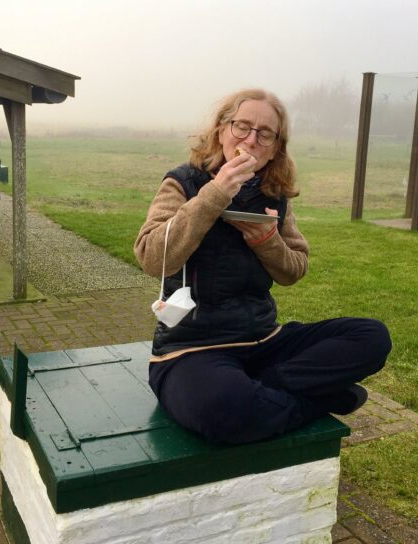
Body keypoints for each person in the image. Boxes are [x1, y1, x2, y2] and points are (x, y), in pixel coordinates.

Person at [134, 88, 391, 444]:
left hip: (264, 341)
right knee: (225, 406)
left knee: (372, 337)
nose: (251, 140)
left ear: (274, 148)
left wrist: (264, 241)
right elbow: (150, 256)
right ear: (222, 130)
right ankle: (323, 399)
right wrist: (216, 193)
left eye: (264, 133)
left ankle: (268, 387)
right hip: (191, 349)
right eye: (242, 127)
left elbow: (294, 269)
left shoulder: (275, 196)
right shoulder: (182, 183)